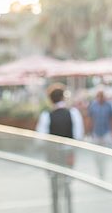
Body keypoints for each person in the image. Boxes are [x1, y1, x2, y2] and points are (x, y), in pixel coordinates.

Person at [37, 83, 84, 213]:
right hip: (68, 153)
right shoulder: (73, 113)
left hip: (52, 155)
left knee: (54, 186)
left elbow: (40, 139)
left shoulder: (46, 115)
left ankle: (56, 210)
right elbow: (79, 136)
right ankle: (69, 209)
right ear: (63, 97)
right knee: (68, 184)